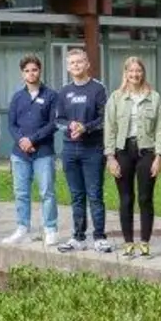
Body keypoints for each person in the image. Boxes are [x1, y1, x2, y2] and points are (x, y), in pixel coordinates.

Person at [104, 55, 161, 259]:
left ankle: (145, 242)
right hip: (123, 151)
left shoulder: (154, 97)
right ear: (125, 73)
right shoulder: (116, 97)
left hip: (146, 152)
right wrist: (110, 157)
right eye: (131, 71)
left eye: (138, 71)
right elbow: (110, 128)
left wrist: (159, 157)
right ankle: (128, 242)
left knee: (145, 198)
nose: (135, 74)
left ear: (143, 73)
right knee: (126, 199)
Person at [55, 48, 110, 253]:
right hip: (70, 150)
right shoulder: (64, 91)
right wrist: (71, 126)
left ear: (87, 64)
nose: (76, 66)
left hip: (92, 149)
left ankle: (100, 237)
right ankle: (78, 237)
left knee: (94, 194)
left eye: (79, 62)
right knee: (76, 195)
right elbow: (58, 119)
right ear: (68, 67)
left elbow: (104, 118)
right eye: (72, 63)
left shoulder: (98, 89)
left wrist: (85, 127)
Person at [4, 54, 60, 246]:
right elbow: (11, 124)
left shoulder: (51, 96)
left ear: (39, 71)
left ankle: (50, 228)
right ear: (22, 74)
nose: (31, 73)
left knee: (47, 192)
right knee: (21, 192)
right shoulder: (17, 97)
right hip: (20, 154)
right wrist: (22, 141)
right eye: (27, 70)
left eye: (34, 69)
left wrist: (32, 139)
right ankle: (22, 228)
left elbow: (54, 124)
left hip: (43, 152)